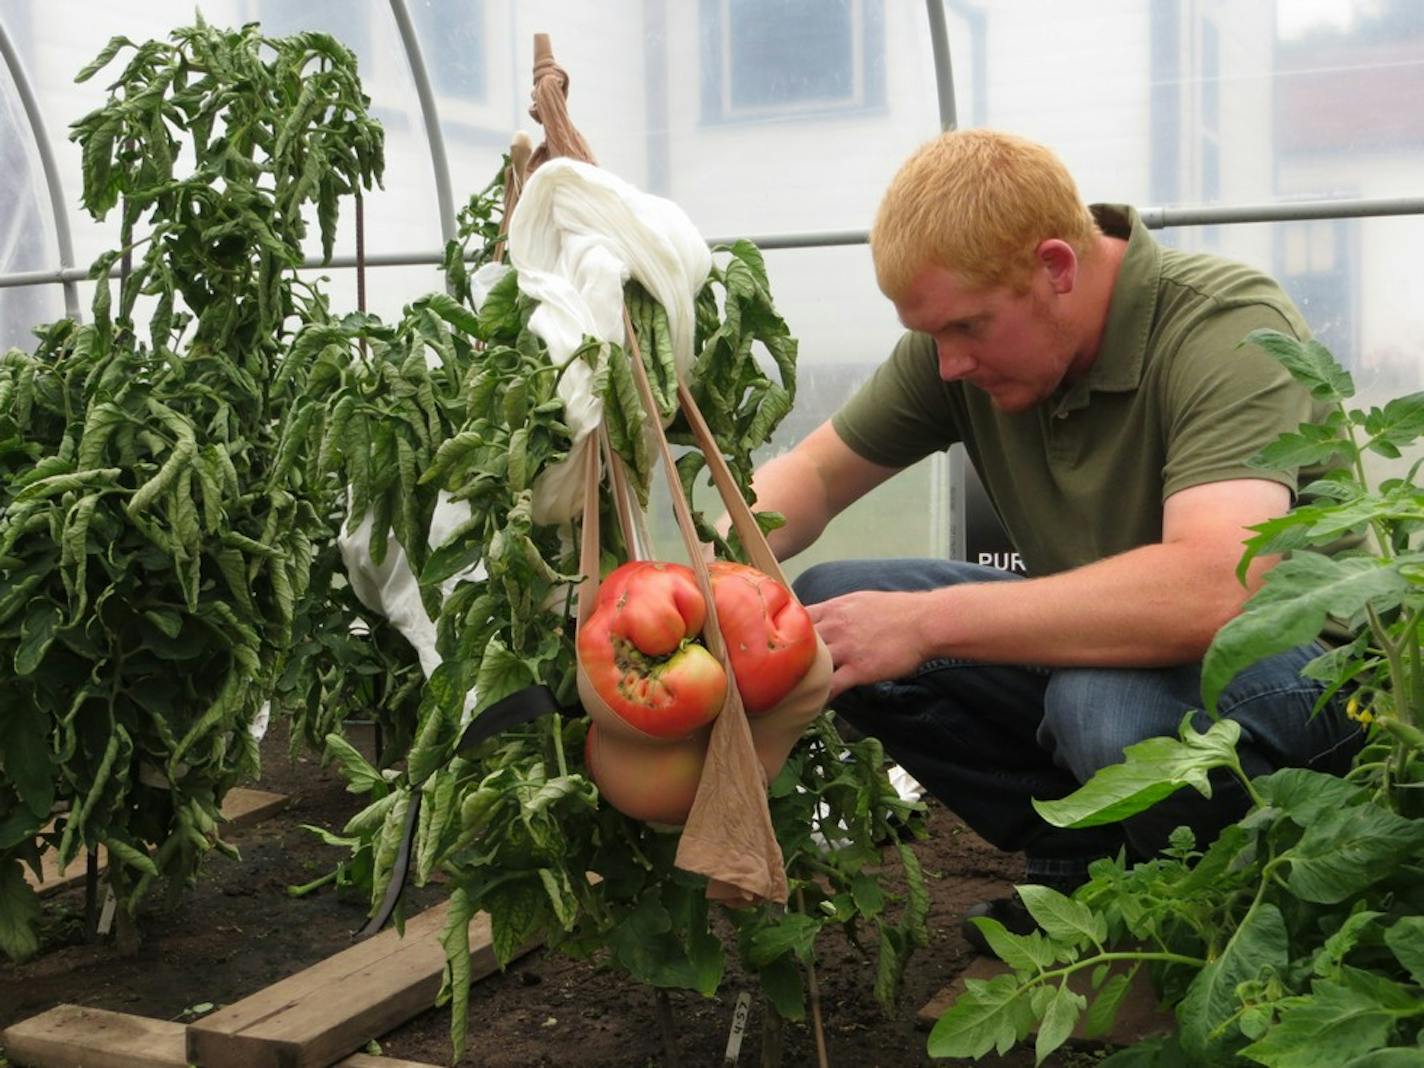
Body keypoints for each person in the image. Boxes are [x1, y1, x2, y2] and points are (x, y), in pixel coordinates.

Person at [746, 129, 1363, 950]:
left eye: (967, 328)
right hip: (1110, 656)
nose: (950, 363)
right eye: (932, 334)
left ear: (1056, 268)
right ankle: (1084, 864)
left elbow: (1219, 587)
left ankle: (1225, 918)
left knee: (1101, 703)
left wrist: (924, 625)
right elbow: (814, 480)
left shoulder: (1222, 327)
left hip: (1311, 682)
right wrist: (694, 570)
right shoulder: (958, 346)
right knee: (826, 616)